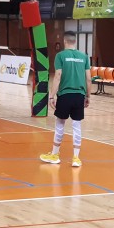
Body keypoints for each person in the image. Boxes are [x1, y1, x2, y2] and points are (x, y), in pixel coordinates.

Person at [40, 31, 91, 167]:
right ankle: (76, 158)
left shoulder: (60, 56)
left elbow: (58, 75)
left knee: (60, 124)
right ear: (75, 41)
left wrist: (51, 96)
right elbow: (89, 79)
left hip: (65, 95)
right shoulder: (84, 56)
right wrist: (88, 96)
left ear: (64, 41)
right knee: (77, 126)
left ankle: (55, 154)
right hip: (79, 95)